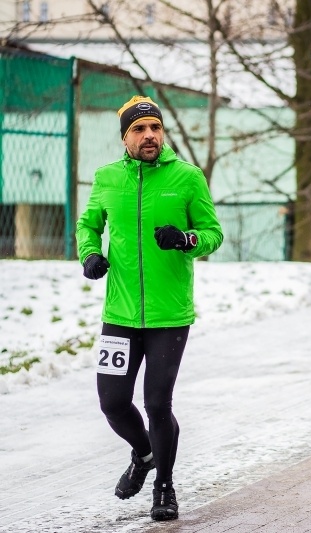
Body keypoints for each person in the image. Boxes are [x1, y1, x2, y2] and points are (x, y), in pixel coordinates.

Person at [76, 95, 223, 521]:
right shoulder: (106, 178)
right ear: (125, 137)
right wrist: (89, 254)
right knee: (113, 402)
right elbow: (88, 224)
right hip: (119, 314)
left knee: (158, 403)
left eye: (155, 128)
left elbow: (212, 232)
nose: (149, 136)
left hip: (169, 316)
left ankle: (164, 486)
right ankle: (143, 454)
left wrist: (186, 240)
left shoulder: (187, 177)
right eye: (139, 130)